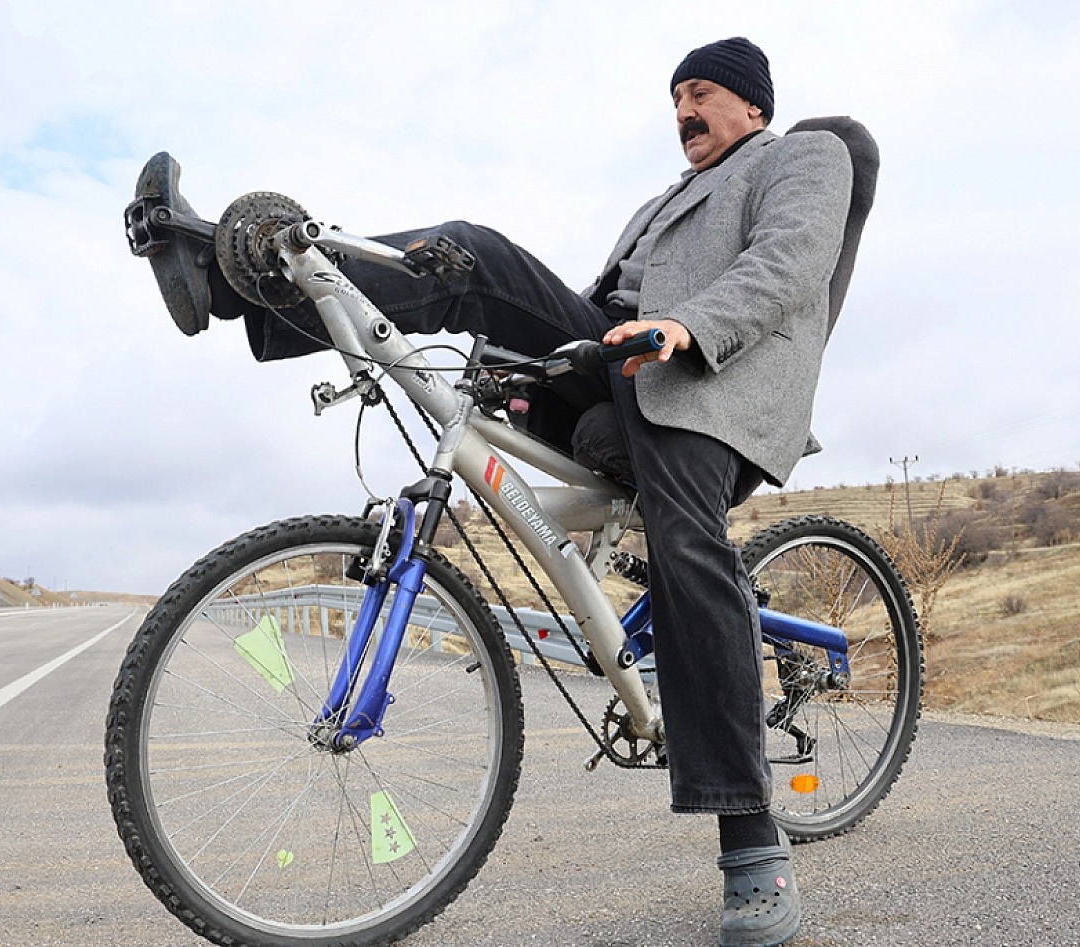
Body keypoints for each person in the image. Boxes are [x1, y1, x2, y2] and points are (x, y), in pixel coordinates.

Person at [131, 36, 857, 947]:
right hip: (618, 360)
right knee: (468, 256)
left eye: (700, 94)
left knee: (685, 546)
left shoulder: (804, 157)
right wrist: (527, 376)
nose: (682, 113)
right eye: (673, 99)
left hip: (713, 383)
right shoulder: (660, 202)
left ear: (751, 104)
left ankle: (753, 842)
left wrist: (685, 324)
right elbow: (597, 308)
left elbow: (789, 267)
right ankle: (236, 276)